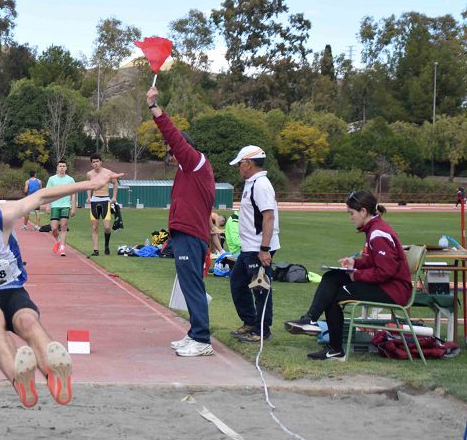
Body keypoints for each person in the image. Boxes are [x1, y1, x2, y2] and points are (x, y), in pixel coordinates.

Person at [0, 168, 122, 407]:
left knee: (27, 321)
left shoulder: (1, 217)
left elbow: (42, 196)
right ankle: (19, 376)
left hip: (11, 291)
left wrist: (90, 184)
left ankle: (55, 373)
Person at [284, 190, 411, 361]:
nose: (350, 217)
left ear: (364, 211)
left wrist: (356, 275)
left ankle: (332, 346)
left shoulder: (378, 233)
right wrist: (355, 264)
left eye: (351, 213)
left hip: (394, 291)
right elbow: (375, 263)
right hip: (388, 286)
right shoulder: (374, 230)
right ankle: (311, 320)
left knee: (334, 294)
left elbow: (384, 272)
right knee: (331, 277)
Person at [147, 86, 216, 357]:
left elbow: (174, 137)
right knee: (189, 285)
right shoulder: (187, 170)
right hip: (185, 233)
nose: (171, 154)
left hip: (190, 234)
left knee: (193, 286)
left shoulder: (195, 162)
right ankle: (194, 333)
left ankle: (202, 339)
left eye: (173, 150)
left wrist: (154, 107)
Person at [227, 146, 280, 345]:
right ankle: (250, 321)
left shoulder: (261, 185)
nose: (239, 168)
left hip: (258, 247)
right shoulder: (252, 183)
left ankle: (262, 330)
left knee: (261, 287)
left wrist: (264, 249)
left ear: (248, 163)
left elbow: (268, 216)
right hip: (249, 247)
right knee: (238, 282)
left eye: (240, 163)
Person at [86, 153, 116, 256]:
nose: (96, 163)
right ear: (91, 163)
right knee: (94, 227)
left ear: (101, 162)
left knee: (107, 227)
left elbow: (115, 183)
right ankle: (95, 250)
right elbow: (88, 186)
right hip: (94, 200)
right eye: (93, 162)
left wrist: (114, 197)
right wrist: (89, 197)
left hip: (105, 200)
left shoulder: (108, 172)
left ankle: (106, 245)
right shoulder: (90, 174)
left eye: (97, 161)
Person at [45, 159, 76, 257]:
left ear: (66, 168)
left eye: (63, 166)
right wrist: (47, 205)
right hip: (55, 205)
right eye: (60, 166)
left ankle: (62, 248)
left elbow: (73, 194)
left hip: (65, 205)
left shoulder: (70, 180)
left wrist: (73, 207)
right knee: (54, 228)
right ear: (57, 168)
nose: (62, 168)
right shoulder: (52, 179)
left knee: (63, 226)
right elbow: (48, 193)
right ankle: (58, 240)